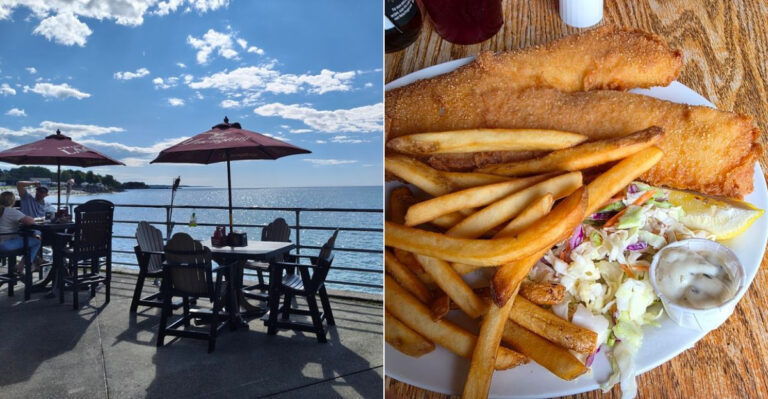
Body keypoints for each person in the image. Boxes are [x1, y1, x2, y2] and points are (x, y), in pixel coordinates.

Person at [0, 191, 41, 275]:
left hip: (3, 241)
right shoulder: (10, 211)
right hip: (5, 244)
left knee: (28, 242)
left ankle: (23, 265)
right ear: (13, 201)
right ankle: (22, 265)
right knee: (36, 241)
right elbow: (30, 221)